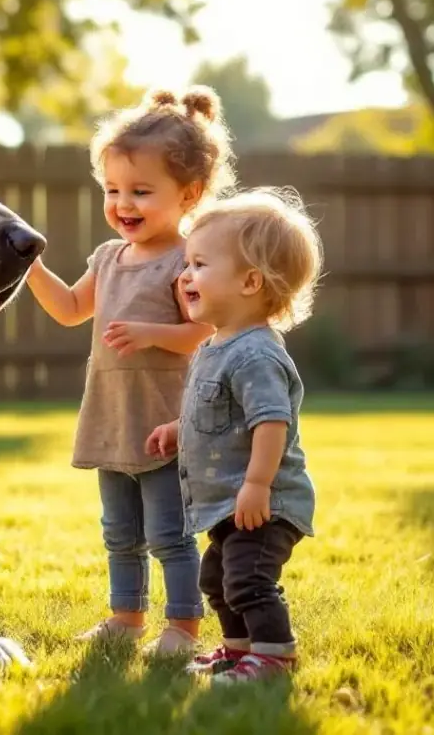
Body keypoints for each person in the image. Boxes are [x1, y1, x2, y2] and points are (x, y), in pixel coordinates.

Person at [27, 86, 234, 655]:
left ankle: (183, 627)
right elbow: (71, 310)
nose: (124, 204)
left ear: (188, 193)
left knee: (169, 534)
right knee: (119, 533)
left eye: (141, 191)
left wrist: (150, 334)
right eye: (114, 190)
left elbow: (202, 333)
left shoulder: (185, 261)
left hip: (164, 421)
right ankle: (126, 618)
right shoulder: (108, 258)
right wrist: (32, 269)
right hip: (111, 415)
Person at [145, 186, 323, 682]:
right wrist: (179, 430)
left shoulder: (256, 353)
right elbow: (220, 411)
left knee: (247, 578)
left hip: (263, 505)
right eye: (187, 264)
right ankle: (237, 648)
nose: (185, 275)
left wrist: (258, 484)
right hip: (230, 503)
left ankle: (274, 655)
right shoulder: (218, 344)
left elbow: (271, 421)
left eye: (200, 265)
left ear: (249, 282)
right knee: (217, 579)